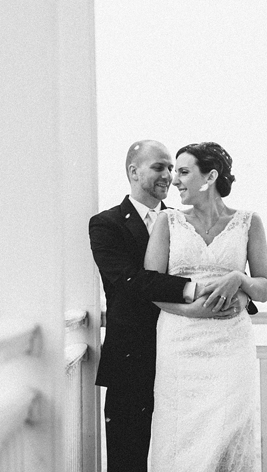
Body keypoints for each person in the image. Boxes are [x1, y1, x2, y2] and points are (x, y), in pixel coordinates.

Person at [89, 140, 243, 472]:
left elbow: (212, 266)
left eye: (172, 168)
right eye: (159, 167)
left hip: (183, 359)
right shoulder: (106, 224)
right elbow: (131, 280)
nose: (169, 176)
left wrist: (236, 291)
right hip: (132, 361)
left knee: (186, 455)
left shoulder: (182, 222)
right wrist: (194, 290)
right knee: (128, 461)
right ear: (134, 172)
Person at [145, 142, 267, 471]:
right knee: (180, 439)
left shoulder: (248, 222)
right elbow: (150, 286)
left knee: (228, 436)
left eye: (184, 172)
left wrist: (238, 278)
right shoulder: (168, 221)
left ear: (210, 176)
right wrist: (191, 311)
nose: (174, 180)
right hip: (180, 343)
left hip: (231, 346)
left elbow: (264, 288)